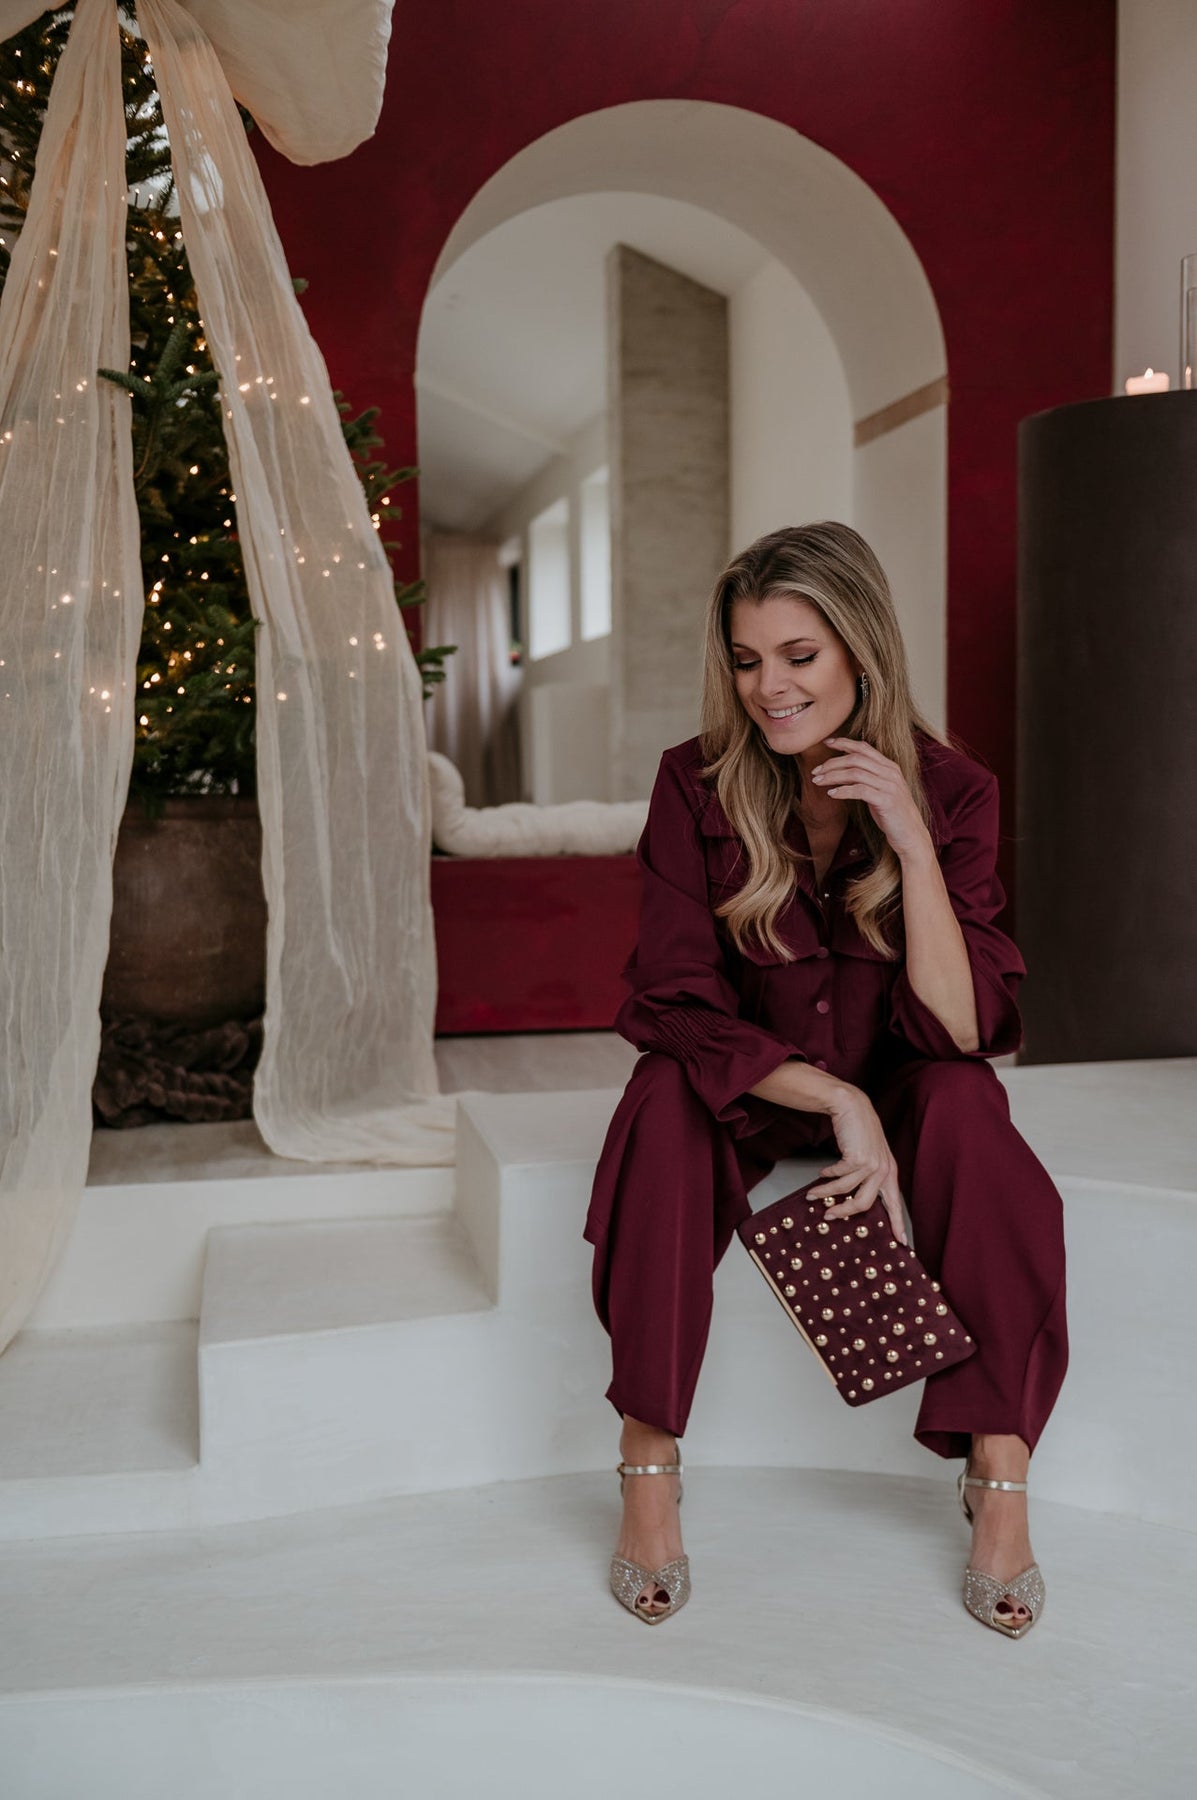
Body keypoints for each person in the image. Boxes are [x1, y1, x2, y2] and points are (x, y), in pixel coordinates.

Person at [584, 522, 1067, 1638]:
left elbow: (961, 1027)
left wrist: (911, 842)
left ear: (861, 650)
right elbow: (673, 999)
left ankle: (998, 1470)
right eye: (747, 660)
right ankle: (647, 1460)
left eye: (799, 655)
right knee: (659, 1099)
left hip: (906, 1082)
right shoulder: (693, 784)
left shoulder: (954, 790)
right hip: (757, 1086)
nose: (770, 688)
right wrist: (836, 1101)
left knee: (968, 1107)